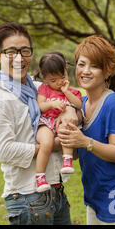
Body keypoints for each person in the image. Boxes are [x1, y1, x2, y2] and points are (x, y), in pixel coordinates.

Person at [0, 22, 80, 225]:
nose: (19, 58)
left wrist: (69, 111)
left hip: (57, 192)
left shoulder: (39, 88)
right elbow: (4, 151)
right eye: (11, 52)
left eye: (25, 51)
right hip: (27, 198)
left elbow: (69, 104)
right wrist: (50, 146)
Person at [57, 35, 115, 225]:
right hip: (95, 197)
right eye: (81, 64)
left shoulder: (114, 104)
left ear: (107, 71)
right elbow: (78, 153)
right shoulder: (83, 103)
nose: (85, 71)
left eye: (94, 66)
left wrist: (84, 142)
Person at [34, 52, 83, 193]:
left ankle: (67, 159)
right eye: (53, 80)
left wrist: (67, 92)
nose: (59, 83)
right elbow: (40, 106)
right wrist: (52, 104)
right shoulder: (44, 89)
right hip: (46, 122)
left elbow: (79, 105)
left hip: (61, 122)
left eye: (62, 77)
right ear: (45, 78)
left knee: (66, 127)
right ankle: (40, 177)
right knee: (47, 143)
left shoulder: (72, 91)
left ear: (66, 72)